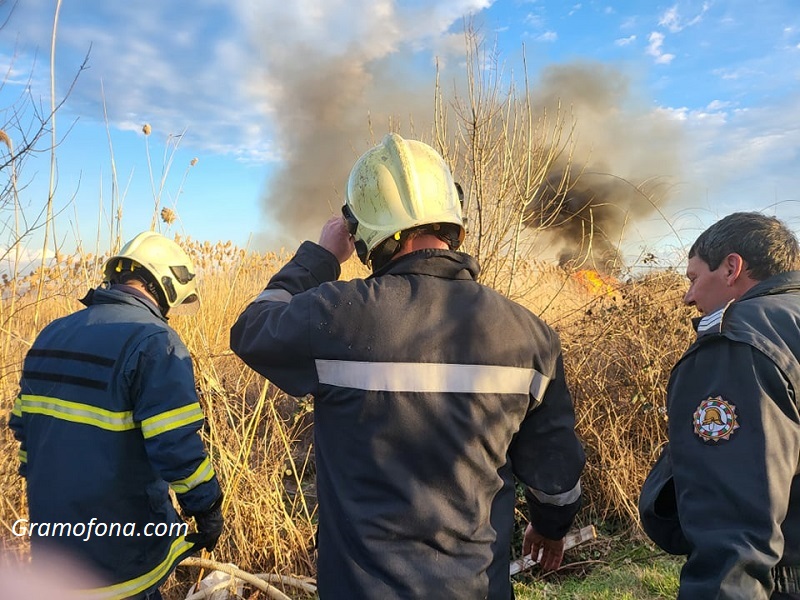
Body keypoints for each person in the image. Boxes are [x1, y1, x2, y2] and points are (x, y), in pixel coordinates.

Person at [230, 132, 586, 599]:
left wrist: (319, 257)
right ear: (453, 215)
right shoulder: (529, 334)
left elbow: (251, 328)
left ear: (364, 235)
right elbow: (555, 473)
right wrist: (551, 528)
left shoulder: (336, 316)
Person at [9, 231, 224, 600]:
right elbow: (174, 444)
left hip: (54, 553)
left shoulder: (51, 334)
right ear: (166, 284)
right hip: (119, 557)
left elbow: (23, 430)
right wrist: (206, 507)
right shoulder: (155, 341)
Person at [639, 212, 800, 599]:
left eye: (694, 278)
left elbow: (732, 529)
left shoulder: (738, 343)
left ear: (731, 268)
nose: (688, 296)